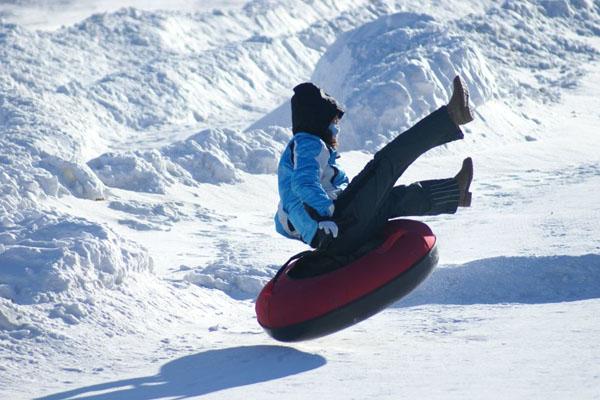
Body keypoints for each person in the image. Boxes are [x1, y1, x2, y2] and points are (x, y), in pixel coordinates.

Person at [274, 76, 474, 257]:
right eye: (333, 121)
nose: (336, 128)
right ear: (318, 121)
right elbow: (302, 184)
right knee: (387, 162)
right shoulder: (309, 142)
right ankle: (452, 116)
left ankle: (455, 192)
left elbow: (284, 218)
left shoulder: (307, 149)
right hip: (336, 225)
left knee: (392, 199)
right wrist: (323, 217)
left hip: (336, 228)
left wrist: (319, 223)